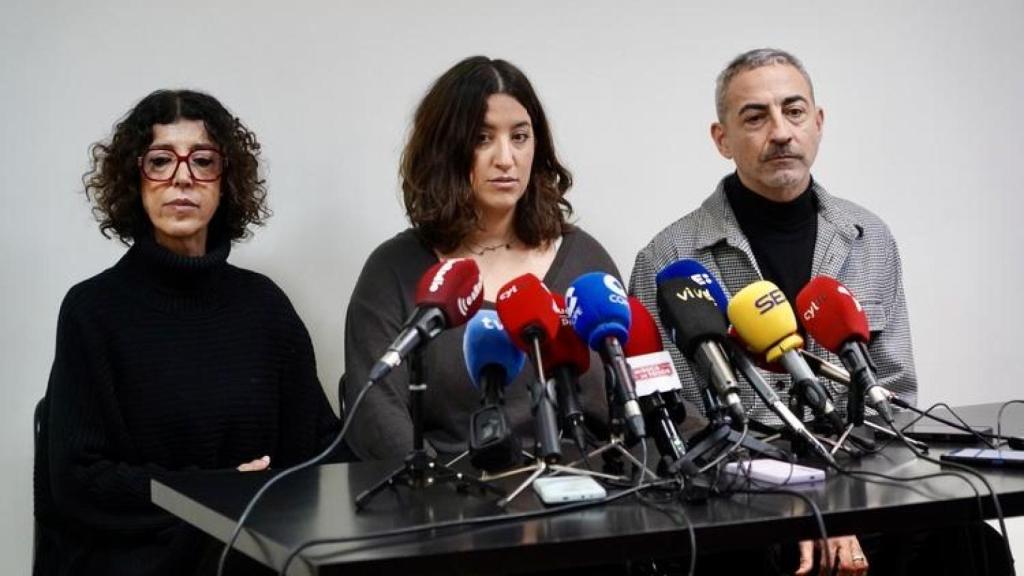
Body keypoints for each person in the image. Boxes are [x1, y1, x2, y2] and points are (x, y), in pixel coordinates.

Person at [629, 49, 917, 575]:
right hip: (737, 506)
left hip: (859, 492)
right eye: (756, 117)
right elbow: (671, 421)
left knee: (967, 535)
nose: (780, 132)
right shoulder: (668, 259)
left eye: (794, 111)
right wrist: (795, 506)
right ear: (722, 139)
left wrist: (842, 506)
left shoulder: (869, 238)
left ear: (819, 122)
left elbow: (894, 396)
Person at [33, 89, 342, 576]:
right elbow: (78, 479)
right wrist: (212, 494)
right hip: (141, 553)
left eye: (203, 160)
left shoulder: (265, 306)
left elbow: (319, 453)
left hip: (253, 549)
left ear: (226, 182)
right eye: (160, 161)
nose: (182, 177)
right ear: (135, 180)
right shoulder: (92, 311)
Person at [343, 56, 621, 461]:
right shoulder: (394, 271)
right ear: (445, 149)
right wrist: (441, 499)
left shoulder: (585, 258)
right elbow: (376, 419)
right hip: (456, 505)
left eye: (520, 137)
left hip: (590, 497)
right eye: (482, 138)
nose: (506, 158)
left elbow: (631, 393)